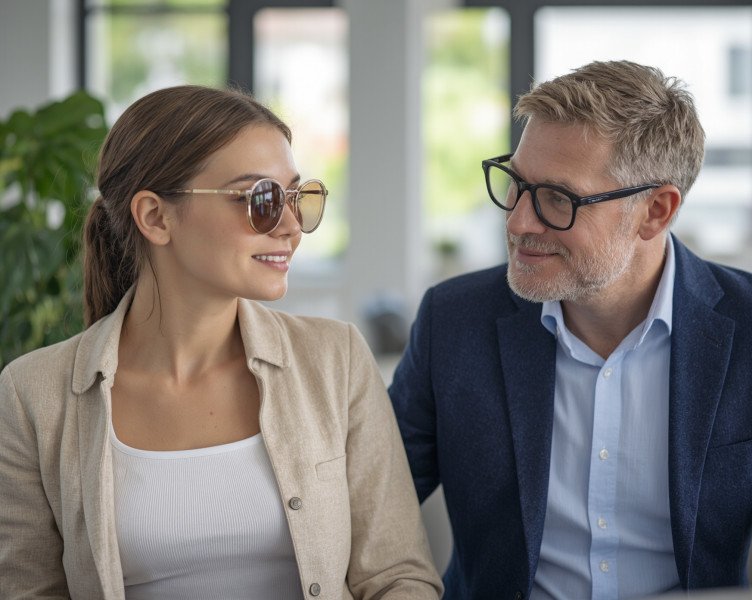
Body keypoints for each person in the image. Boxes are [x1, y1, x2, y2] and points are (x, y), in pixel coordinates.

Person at [0, 85, 443, 600]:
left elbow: (398, 576)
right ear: (155, 217)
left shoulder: (335, 359)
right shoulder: (33, 394)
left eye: (297, 197)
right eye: (260, 199)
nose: (291, 227)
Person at [389, 60, 752, 599]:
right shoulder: (453, 321)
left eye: (559, 198)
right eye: (517, 184)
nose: (517, 221)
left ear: (655, 210)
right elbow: (368, 511)